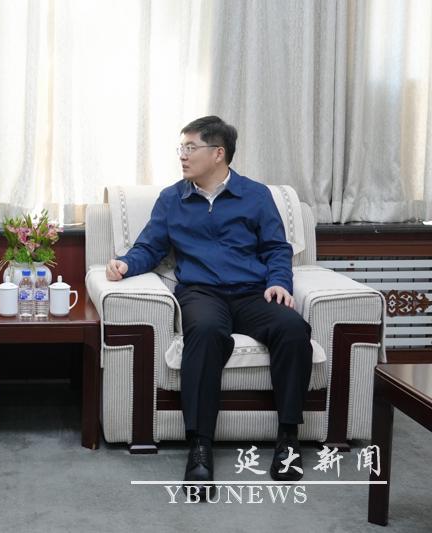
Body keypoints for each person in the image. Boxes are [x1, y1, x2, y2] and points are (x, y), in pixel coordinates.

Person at [105, 116, 313, 498]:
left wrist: (279, 283)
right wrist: (125, 264)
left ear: (218, 153)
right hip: (202, 293)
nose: (182, 156)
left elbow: (276, 248)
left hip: (253, 293)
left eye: (191, 148)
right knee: (204, 333)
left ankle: (288, 438)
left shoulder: (255, 195)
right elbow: (150, 246)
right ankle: (200, 446)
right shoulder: (173, 198)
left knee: (293, 328)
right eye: (181, 148)